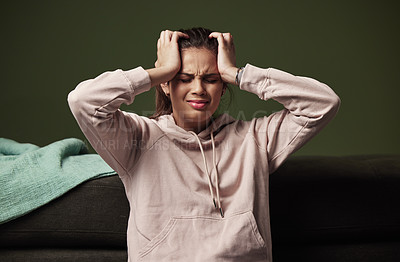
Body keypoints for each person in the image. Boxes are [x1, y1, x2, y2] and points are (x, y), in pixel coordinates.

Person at [68, 27, 340, 262]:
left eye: (211, 79)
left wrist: (238, 73)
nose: (198, 88)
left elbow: (322, 103)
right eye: (184, 78)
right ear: (166, 85)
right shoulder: (139, 138)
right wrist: (161, 71)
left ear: (223, 88)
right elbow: (83, 101)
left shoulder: (254, 138)